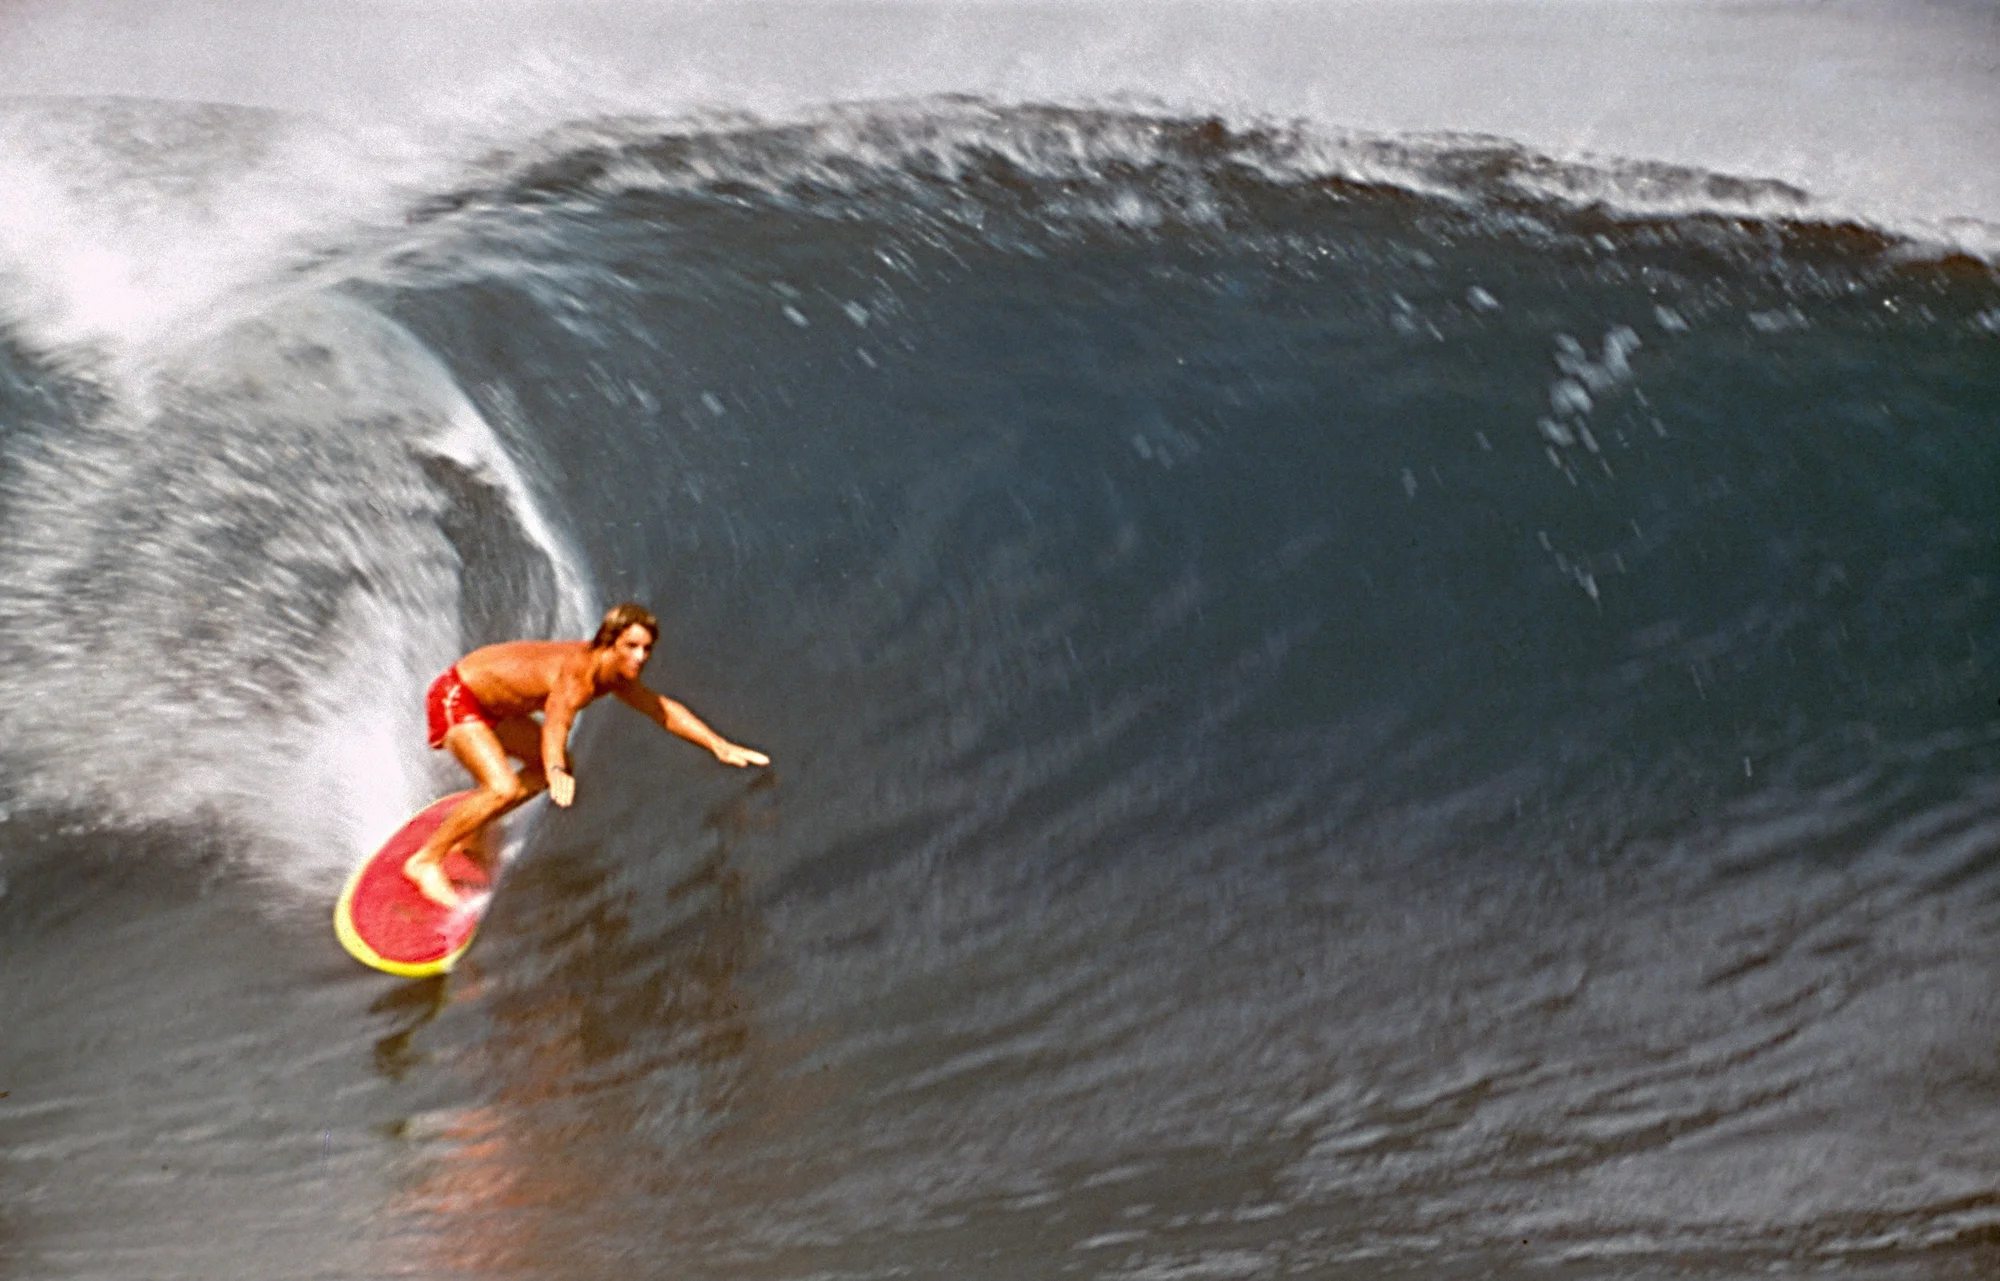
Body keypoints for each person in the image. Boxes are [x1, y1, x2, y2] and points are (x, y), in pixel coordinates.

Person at [404, 602, 769, 908]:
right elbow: (556, 724)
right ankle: (425, 861)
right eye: (631, 646)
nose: (640, 657)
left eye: (646, 649)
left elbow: (661, 709)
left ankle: (474, 828)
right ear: (609, 643)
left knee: (524, 780)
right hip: (458, 697)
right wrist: (557, 766)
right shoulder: (580, 674)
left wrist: (717, 744)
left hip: (493, 706)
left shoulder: (615, 674)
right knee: (503, 787)